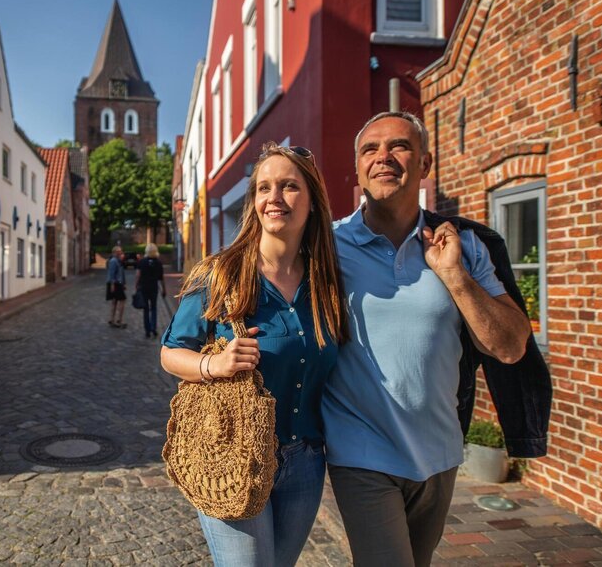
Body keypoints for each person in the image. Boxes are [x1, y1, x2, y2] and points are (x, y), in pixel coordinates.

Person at [322, 112, 532, 567]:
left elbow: (511, 346)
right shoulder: (327, 246)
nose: (383, 158)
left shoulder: (465, 246)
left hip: (439, 452)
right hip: (360, 451)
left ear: (425, 162)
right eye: (369, 150)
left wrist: (455, 277)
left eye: (398, 146)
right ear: (357, 168)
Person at [160, 142, 349, 566]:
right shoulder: (221, 273)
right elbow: (171, 352)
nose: (274, 198)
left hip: (304, 461)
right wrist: (214, 364)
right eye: (264, 188)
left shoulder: (326, 282)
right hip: (231, 449)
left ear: (313, 201)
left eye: (288, 186)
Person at [134, 243, 166, 338]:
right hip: (153, 288)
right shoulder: (158, 263)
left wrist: (136, 286)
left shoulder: (142, 262)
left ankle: (147, 330)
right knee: (154, 308)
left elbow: (138, 275)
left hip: (144, 288)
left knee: (146, 309)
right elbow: (161, 278)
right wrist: (164, 289)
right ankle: (153, 328)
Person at [105, 245, 127, 328]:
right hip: (115, 284)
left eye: (120, 251)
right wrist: (112, 285)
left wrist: (123, 283)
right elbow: (112, 274)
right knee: (122, 300)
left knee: (115, 301)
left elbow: (120, 275)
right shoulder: (114, 261)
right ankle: (119, 320)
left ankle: (112, 319)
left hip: (118, 283)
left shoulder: (118, 261)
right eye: (118, 252)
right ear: (114, 253)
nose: (120, 253)